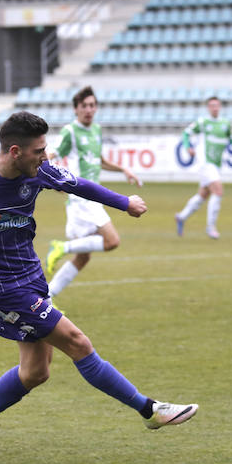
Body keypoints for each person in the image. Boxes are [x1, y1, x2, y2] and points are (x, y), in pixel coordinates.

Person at [0, 111, 197, 456]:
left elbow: (79, 184)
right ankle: (149, 410)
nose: (45, 157)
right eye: (39, 151)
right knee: (77, 342)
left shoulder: (40, 171)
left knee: (35, 372)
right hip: (2, 288)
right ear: (15, 151)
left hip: (32, 277)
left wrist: (124, 203)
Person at [45, 86, 142, 304]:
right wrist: (55, 180)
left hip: (87, 199)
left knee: (83, 257)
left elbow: (100, 161)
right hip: (82, 197)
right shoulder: (70, 131)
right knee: (112, 241)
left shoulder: (96, 130)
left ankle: (48, 297)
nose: (89, 110)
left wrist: (124, 169)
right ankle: (61, 247)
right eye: (84, 106)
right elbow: (50, 155)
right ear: (76, 109)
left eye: (92, 105)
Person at [174, 96, 232, 239]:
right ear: (208, 108)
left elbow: (231, 137)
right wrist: (188, 147)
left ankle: (181, 217)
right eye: (212, 105)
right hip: (205, 162)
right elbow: (186, 133)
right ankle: (211, 227)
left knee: (204, 194)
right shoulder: (203, 122)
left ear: (220, 107)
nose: (214, 108)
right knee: (218, 190)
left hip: (216, 164)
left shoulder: (225, 123)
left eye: (217, 105)